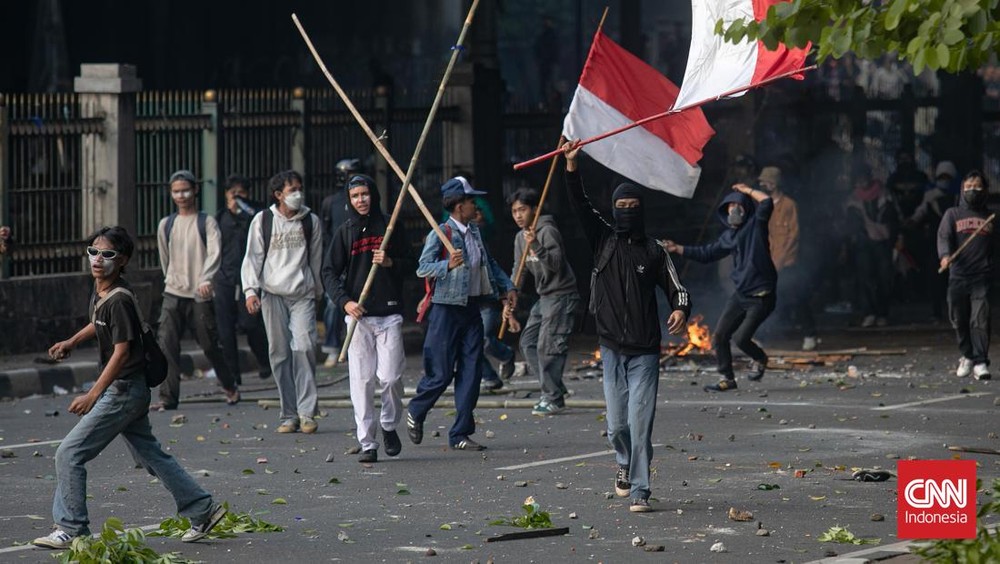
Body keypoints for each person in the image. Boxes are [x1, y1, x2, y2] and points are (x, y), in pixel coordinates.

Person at [33, 226, 227, 549]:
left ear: (121, 260)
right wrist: (72, 341)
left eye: (107, 254)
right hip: (129, 390)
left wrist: (93, 394)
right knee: (150, 455)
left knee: (69, 453)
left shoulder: (119, 300)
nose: (98, 259)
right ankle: (202, 509)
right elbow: (98, 322)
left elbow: (122, 352)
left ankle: (71, 527)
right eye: (93, 252)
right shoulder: (103, 291)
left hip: (123, 391)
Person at [562, 141, 690, 513]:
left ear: (642, 211)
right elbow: (579, 206)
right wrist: (572, 167)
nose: (627, 212)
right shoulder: (603, 240)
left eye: (633, 207)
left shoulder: (654, 250)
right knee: (618, 426)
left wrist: (681, 311)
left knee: (639, 422)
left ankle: (639, 489)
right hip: (612, 348)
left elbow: (678, 290)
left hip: (646, 350)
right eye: (621, 207)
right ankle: (623, 462)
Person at [407, 176, 517, 452]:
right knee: (441, 373)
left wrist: (507, 286)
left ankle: (460, 433)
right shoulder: (440, 232)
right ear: (457, 205)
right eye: (471, 201)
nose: (475, 205)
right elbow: (423, 267)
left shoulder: (474, 232)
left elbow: (488, 263)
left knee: (471, 371)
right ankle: (416, 411)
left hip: (471, 308)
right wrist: (447, 265)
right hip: (446, 310)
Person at [322, 174, 412, 463]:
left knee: (391, 378)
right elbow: (329, 273)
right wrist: (345, 302)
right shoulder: (345, 232)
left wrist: (390, 263)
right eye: (355, 196)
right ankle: (368, 443)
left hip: (389, 313)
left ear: (374, 194)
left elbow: (412, 263)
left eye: (365, 194)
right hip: (359, 317)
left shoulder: (390, 225)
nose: (361, 200)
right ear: (349, 200)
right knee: (361, 382)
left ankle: (388, 424)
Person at [664, 181, 776, 393]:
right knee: (720, 336)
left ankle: (760, 359)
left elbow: (767, 202)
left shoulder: (755, 226)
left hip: (761, 296)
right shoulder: (728, 237)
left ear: (747, 210)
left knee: (741, 338)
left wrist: (746, 191)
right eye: (730, 207)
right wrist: (678, 248)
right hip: (741, 295)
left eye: (739, 207)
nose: (734, 211)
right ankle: (727, 378)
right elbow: (707, 253)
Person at [241, 170, 323, 434]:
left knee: (305, 346)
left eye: (300, 188)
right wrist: (250, 291)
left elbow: (316, 260)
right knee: (279, 354)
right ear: (278, 195)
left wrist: (317, 293)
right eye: (292, 190)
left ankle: (307, 412)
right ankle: (289, 414)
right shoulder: (263, 220)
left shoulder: (311, 221)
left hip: (302, 294)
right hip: (272, 294)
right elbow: (252, 257)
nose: (298, 194)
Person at [152, 170, 238, 410]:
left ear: (195, 190)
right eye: (176, 191)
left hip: (200, 294)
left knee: (209, 343)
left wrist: (206, 278)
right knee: (167, 344)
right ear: (171, 194)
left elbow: (215, 253)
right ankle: (168, 398)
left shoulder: (206, 222)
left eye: (185, 190)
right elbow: (164, 257)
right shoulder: (166, 225)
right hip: (173, 292)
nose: (181, 195)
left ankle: (229, 384)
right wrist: (172, 278)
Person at [506, 187, 580, 415]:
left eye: (523, 210)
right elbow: (519, 270)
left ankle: (553, 398)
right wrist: (511, 295)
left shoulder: (547, 231)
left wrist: (536, 244)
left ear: (535, 209)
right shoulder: (520, 237)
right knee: (527, 343)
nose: (518, 215)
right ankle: (553, 387)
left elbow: (556, 264)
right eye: (514, 211)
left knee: (547, 347)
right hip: (544, 296)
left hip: (561, 294)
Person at [214, 175, 271, 385]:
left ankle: (264, 362)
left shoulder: (256, 214)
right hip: (225, 278)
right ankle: (233, 376)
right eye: (233, 194)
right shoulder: (220, 217)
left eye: (241, 193)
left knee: (251, 323)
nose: (237, 198)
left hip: (250, 278)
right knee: (225, 330)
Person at [938, 170, 995, 381]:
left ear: (985, 190)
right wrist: (945, 256)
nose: (973, 190)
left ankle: (980, 362)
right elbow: (943, 237)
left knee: (980, 319)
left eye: (977, 186)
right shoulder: (952, 214)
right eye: (969, 187)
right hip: (958, 276)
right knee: (958, 318)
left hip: (982, 276)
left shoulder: (990, 218)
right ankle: (967, 355)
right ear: (962, 190)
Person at [759, 166, 817, 351]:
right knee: (765, 301)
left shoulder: (789, 205)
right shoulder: (762, 204)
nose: (762, 184)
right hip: (769, 262)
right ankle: (762, 337)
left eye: (765, 181)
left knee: (797, 298)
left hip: (787, 263)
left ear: (774, 183)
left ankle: (810, 334)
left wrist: (780, 261)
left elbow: (794, 235)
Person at [846, 164, 900, 327]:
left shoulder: (885, 195)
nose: (861, 181)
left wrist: (896, 238)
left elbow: (895, 218)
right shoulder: (853, 199)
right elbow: (849, 224)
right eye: (858, 178)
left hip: (883, 242)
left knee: (884, 277)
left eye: (864, 177)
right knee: (865, 278)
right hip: (863, 244)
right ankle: (869, 312)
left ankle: (882, 312)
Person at [471, 197, 515, 391]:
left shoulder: (483, 235)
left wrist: (507, 289)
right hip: (469, 300)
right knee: (470, 343)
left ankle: (505, 354)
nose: (476, 214)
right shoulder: (455, 234)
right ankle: (490, 377)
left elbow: (493, 265)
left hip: (488, 298)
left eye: (479, 212)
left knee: (486, 339)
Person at [319, 159, 358, 367]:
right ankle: (333, 348)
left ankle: (354, 347)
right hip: (337, 261)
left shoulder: (362, 200)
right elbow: (324, 233)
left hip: (358, 259)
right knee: (333, 305)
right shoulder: (330, 202)